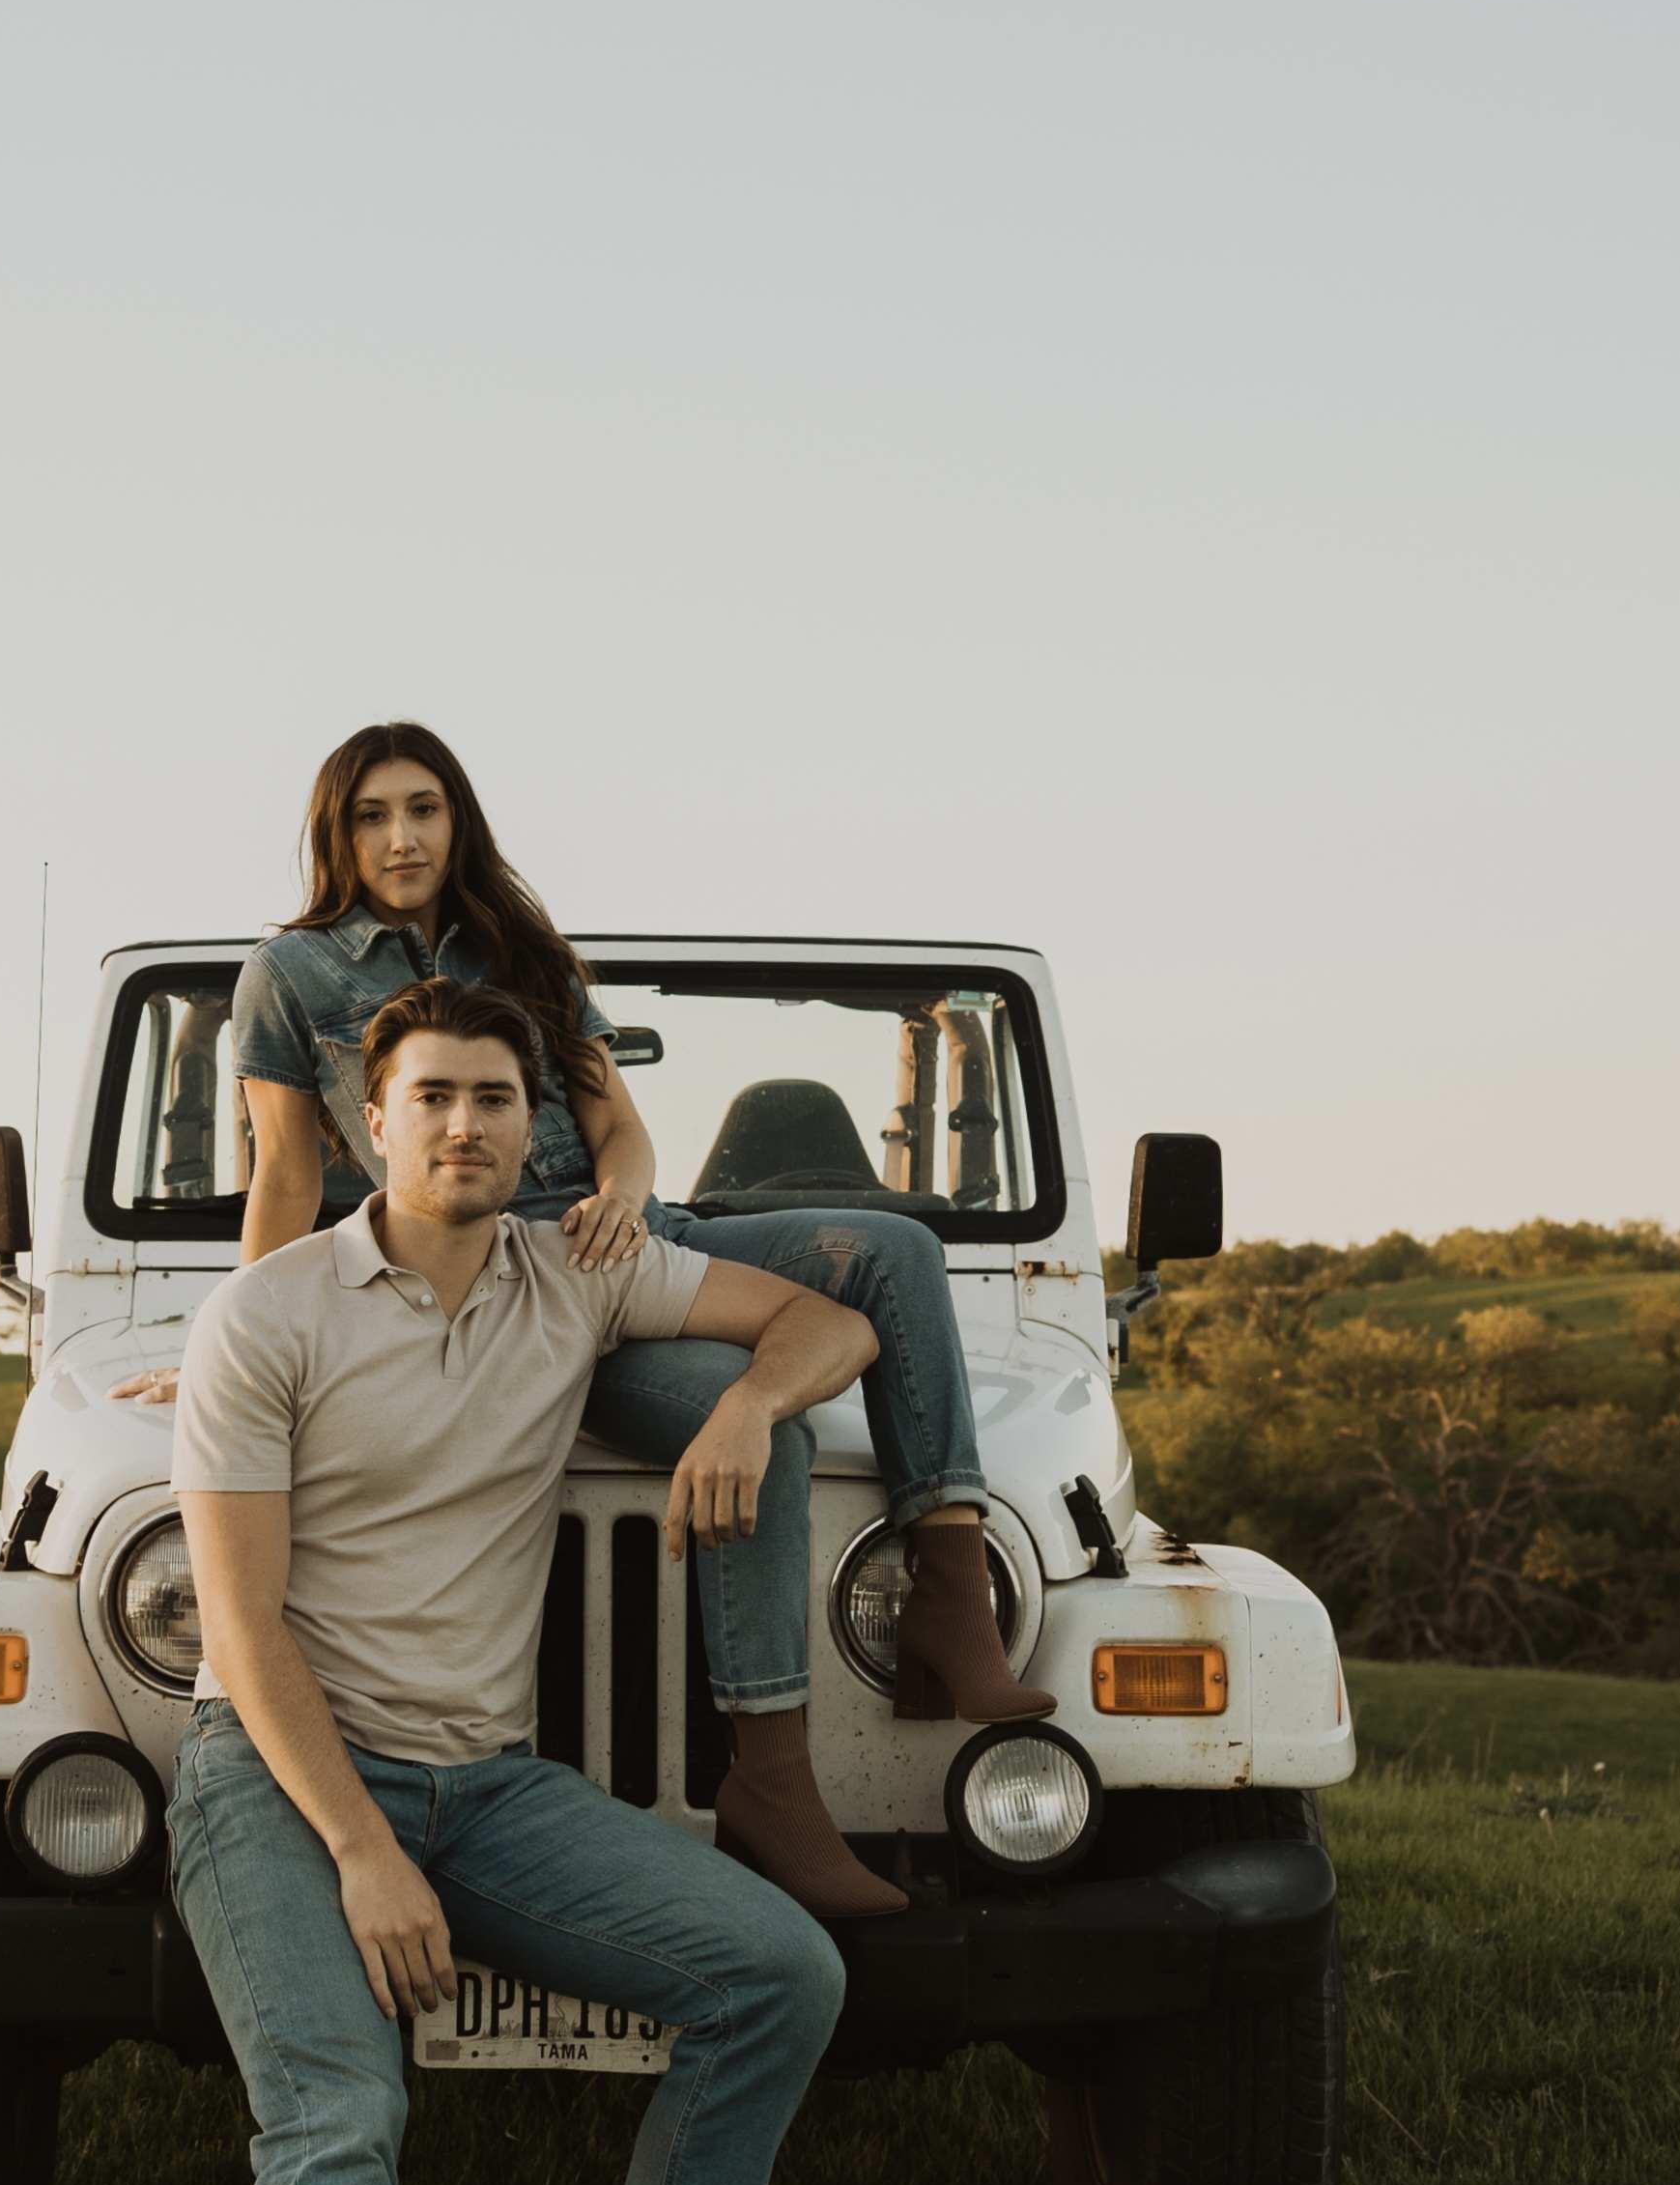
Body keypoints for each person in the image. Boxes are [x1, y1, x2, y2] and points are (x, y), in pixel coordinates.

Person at [171, 976, 866, 2185]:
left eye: (495, 1095)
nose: (467, 1123)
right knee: (338, 2113)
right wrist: (359, 1849)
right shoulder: (263, 1316)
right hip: (281, 1775)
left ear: (526, 1120)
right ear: (365, 1121)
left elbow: (828, 1322)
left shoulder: (578, 1267)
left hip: (482, 1780)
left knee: (777, 1967)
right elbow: (244, 1634)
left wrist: (738, 1407)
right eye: (433, 1098)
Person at [122, 719, 1050, 1924]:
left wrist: (622, 1200)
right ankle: (774, 1780)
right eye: (370, 814)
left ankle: (947, 1596)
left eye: (422, 808)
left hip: (614, 1242)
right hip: (511, 1278)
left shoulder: (521, 944)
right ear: (332, 832)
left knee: (899, 1250)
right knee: (764, 1435)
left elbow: (621, 1128)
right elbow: (288, 1178)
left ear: (457, 819)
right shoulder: (290, 974)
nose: (399, 836)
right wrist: (226, 1339)